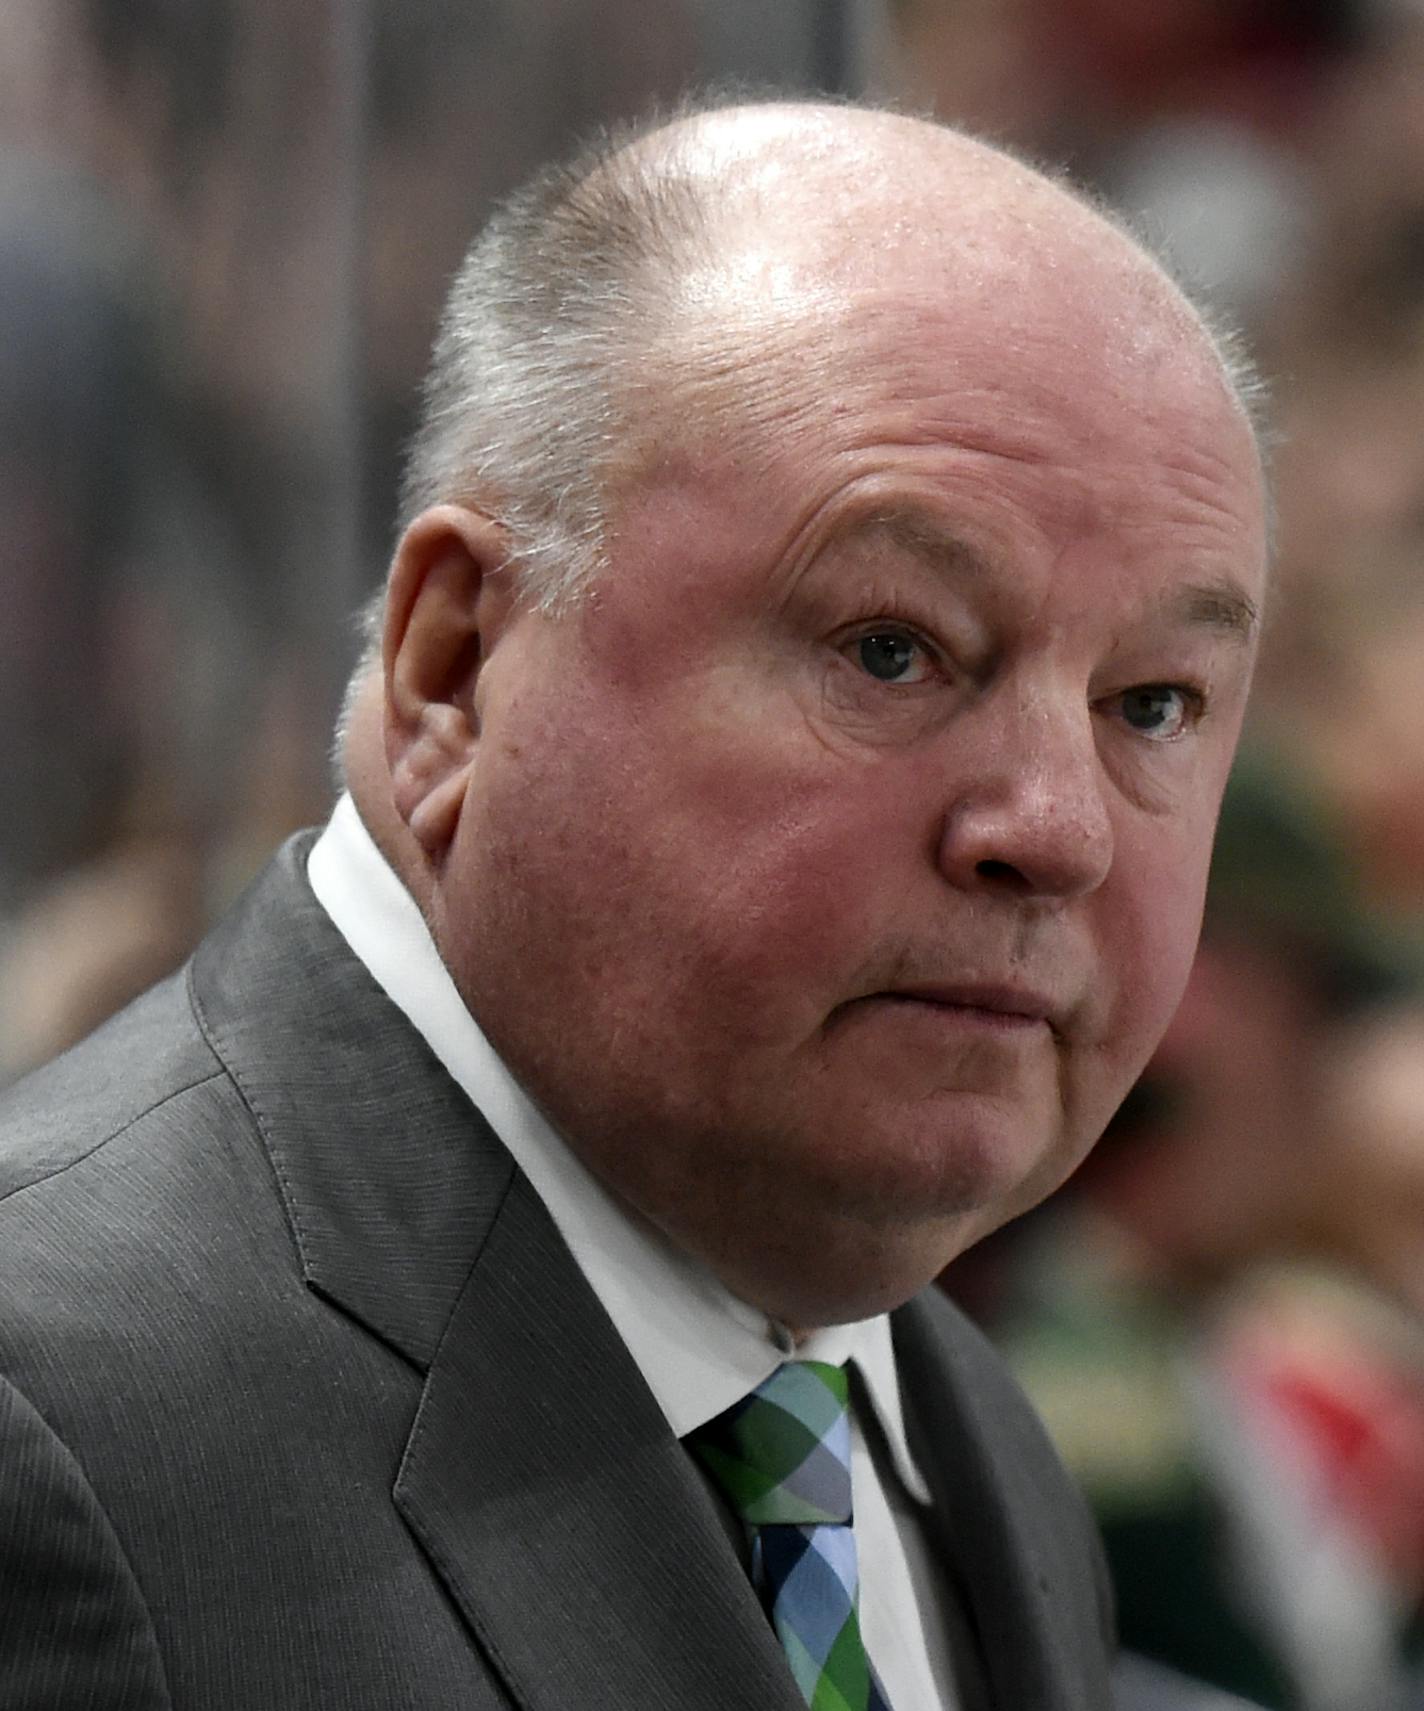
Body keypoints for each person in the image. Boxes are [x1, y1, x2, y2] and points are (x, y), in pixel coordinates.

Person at [0, 98, 1269, 1710]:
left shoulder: (937, 1412)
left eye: (1153, 703)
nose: (1058, 829)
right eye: (893, 647)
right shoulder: (52, 1431)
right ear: (455, 666)